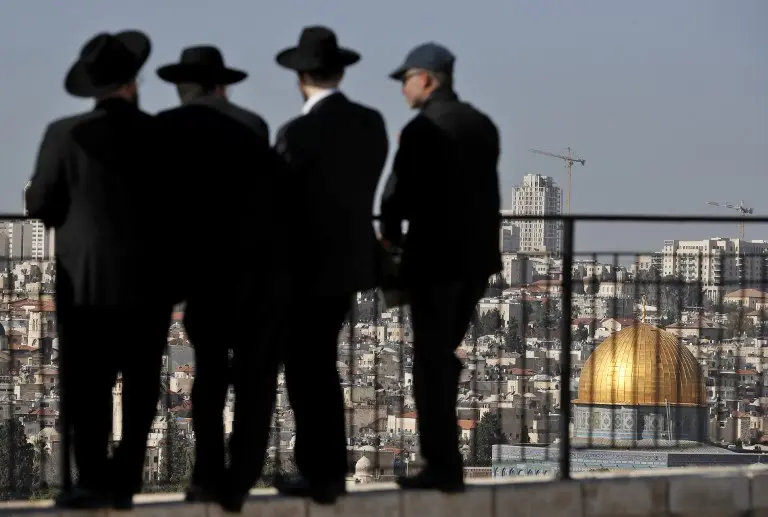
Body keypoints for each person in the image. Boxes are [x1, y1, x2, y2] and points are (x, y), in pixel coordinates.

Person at [25, 30, 177, 509]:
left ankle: (90, 480)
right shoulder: (160, 134)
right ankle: (126, 479)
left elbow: (41, 203)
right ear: (133, 82)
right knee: (141, 385)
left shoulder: (64, 134)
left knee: (87, 384)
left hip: (84, 281)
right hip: (148, 283)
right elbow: (181, 207)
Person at [154, 46, 282, 510]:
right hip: (254, 273)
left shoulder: (167, 127)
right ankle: (241, 477)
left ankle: (206, 476)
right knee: (253, 382)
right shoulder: (253, 125)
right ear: (221, 84)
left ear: (184, 85)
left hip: (201, 275)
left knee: (208, 379)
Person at [270, 26, 389, 505]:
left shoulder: (296, 133)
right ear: (340, 72)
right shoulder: (371, 124)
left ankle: (319, 472)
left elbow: (280, 204)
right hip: (350, 267)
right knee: (321, 367)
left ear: (300, 77)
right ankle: (327, 469)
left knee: (306, 371)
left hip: (302, 270)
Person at [380, 42, 502, 493]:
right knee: (442, 351)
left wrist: (390, 237)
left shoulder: (421, 129)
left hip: (433, 261)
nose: (402, 89)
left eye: (406, 79)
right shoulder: (482, 125)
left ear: (427, 79)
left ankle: (442, 465)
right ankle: (445, 462)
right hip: (476, 260)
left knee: (430, 359)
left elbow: (395, 197)